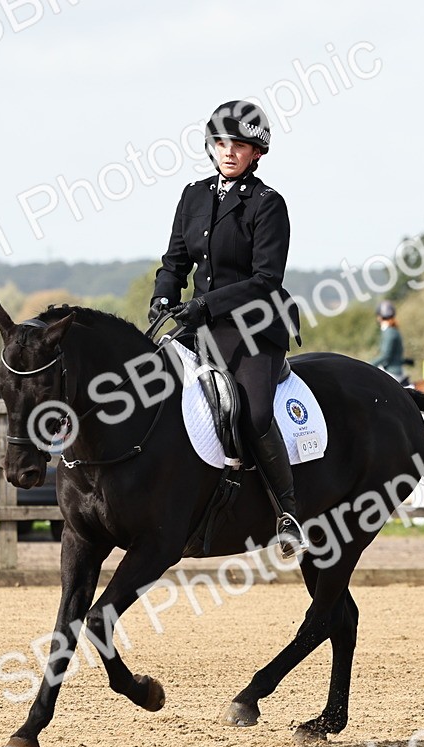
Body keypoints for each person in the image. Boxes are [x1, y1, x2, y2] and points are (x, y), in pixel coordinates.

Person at [148, 100, 308, 556]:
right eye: (221, 143)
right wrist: (164, 295)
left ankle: (288, 509)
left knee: (254, 414)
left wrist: (203, 304)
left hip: (254, 329)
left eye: (239, 144)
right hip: (199, 327)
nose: (229, 151)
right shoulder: (193, 196)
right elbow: (175, 261)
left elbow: (265, 280)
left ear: (256, 152)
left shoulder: (267, 204)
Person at [371, 300, 408, 385]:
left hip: (392, 371)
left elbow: (385, 355)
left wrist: (369, 364)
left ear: (379, 317)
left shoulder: (389, 332)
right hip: (393, 369)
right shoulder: (392, 330)